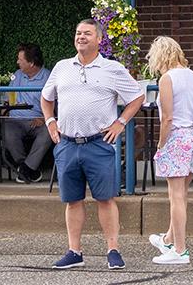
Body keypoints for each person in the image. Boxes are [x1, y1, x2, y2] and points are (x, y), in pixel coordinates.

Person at [41, 19, 146, 270]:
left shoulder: (112, 68)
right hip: (67, 143)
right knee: (72, 200)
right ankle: (74, 252)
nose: (81, 37)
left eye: (87, 33)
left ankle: (113, 250)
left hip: (98, 143)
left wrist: (120, 122)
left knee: (106, 199)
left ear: (100, 40)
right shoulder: (61, 67)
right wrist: (50, 122)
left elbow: (137, 96)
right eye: (78, 33)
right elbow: (46, 98)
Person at [144, 36, 193, 266]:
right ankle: (169, 239)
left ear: (161, 55)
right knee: (183, 195)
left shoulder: (167, 79)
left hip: (176, 137)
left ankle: (180, 250)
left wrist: (160, 144)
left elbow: (167, 118)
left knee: (175, 197)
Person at [0, 42, 52, 183]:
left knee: (48, 132)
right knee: (8, 130)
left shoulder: (48, 78)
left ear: (32, 63)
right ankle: (26, 168)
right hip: (15, 120)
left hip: (39, 121)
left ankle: (26, 169)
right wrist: (5, 111)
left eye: (20, 60)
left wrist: (43, 117)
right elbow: (6, 98)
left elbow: (57, 104)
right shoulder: (17, 75)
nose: (17, 62)